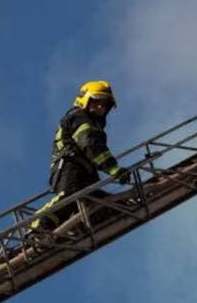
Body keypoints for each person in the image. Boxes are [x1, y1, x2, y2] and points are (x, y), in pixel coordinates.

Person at [31, 80, 128, 231]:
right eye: (97, 102)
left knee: (103, 204)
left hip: (86, 172)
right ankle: (38, 226)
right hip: (70, 169)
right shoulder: (79, 117)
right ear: (86, 99)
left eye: (105, 104)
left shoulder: (91, 122)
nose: (101, 107)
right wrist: (113, 168)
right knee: (70, 197)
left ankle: (77, 226)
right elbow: (91, 145)